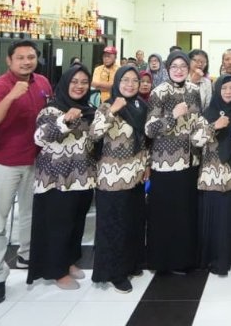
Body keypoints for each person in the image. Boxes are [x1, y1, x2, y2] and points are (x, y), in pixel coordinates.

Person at [0, 40, 52, 305]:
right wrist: (11, 96)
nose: (26, 62)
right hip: (5, 163)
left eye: (31, 57)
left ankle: (27, 254)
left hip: (36, 160)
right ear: (9, 60)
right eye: (20, 57)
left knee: (31, 214)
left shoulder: (42, 82)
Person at [145, 51, 224, 274]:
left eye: (183, 66)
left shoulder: (193, 90)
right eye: (174, 66)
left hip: (190, 162)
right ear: (167, 68)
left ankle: (184, 260)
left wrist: (209, 129)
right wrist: (173, 116)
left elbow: (197, 121)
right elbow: (149, 129)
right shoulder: (159, 92)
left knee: (186, 213)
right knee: (165, 214)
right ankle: (162, 262)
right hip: (166, 164)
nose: (179, 70)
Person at [28, 65, 96, 290]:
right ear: (65, 83)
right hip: (57, 180)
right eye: (74, 81)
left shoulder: (88, 109)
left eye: (84, 82)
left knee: (76, 223)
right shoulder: (52, 110)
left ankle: (68, 261)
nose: (79, 86)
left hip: (83, 177)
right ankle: (56, 270)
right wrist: (64, 120)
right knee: (58, 225)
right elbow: (39, 137)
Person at [89, 65, 150, 293]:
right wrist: (113, 111)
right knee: (113, 226)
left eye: (134, 80)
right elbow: (94, 134)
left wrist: (147, 165)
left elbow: (144, 141)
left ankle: (131, 263)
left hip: (135, 176)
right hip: (112, 178)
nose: (130, 85)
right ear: (117, 82)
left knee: (132, 223)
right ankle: (114, 273)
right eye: (125, 80)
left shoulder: (141, 106)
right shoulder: (107, 105)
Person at [198, 75, 231, 276]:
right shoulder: (208, 113)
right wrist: (214, 126)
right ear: (217, 90)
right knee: (217, 218)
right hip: (214, 176)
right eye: (224, 88)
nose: (228, 92)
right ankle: (216, 258)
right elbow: (195, 140)